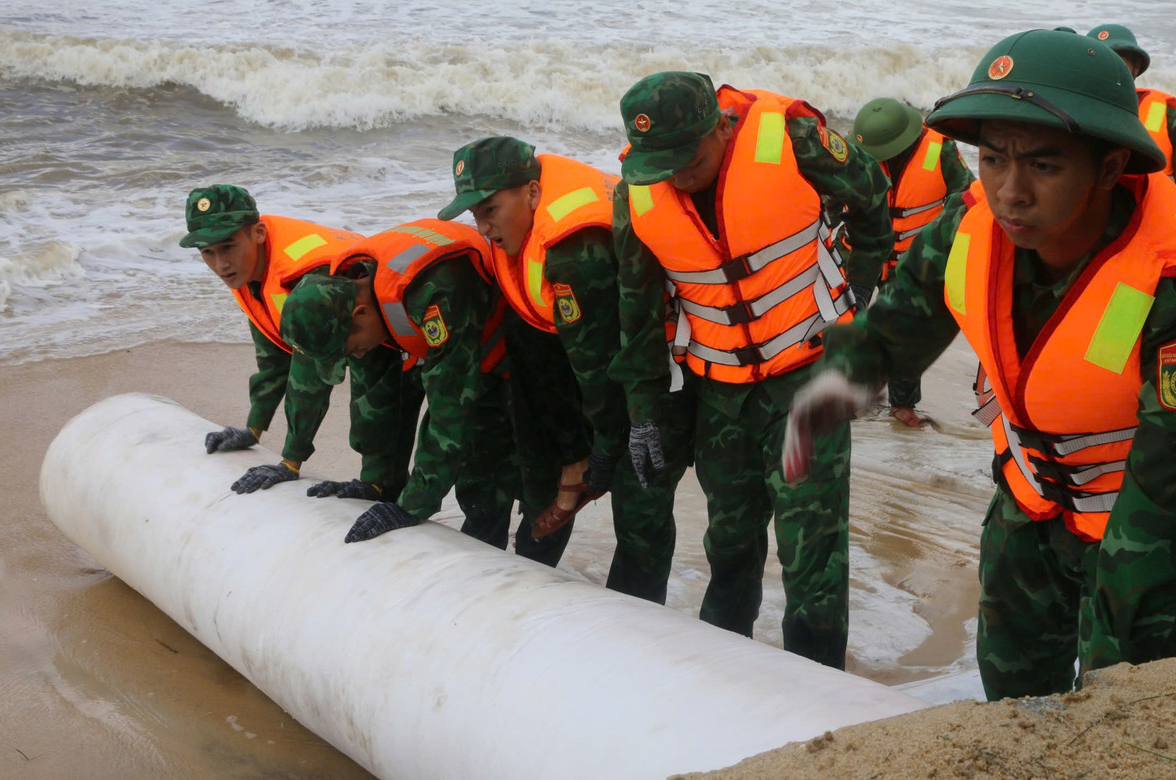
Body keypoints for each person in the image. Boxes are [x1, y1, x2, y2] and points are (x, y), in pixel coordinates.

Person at [784, 30, 1176, 698]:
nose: (1010, 192)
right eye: (991, 159)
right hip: (1032, 496)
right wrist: (831, 387)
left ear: (1108, 166)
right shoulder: (972, 225)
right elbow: (894, 326)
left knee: (1120, 697)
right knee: (1011, 688)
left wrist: (1126, 622)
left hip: (1144, 519)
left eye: (1044, 166)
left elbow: (1173, 495)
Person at [611, 71, 894, 668]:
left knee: (811, 556)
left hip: (810, 378)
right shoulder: (635, 195)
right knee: (730, 545)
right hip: (721, 396)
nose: (675, 176)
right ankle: (725, 676)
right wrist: (643, 414)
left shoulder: (792, 139)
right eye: (659, 163)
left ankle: (820, 696)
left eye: (687, 160)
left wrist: (862, 290)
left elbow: (872, 192)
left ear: (722, 125)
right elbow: (636, 318)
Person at [438, 136, 693, 603]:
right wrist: (572, 453)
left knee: (639, 506)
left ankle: (638, 630)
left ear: (532, 193)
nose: (483, 227)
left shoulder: (575, 254)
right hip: (591, 354)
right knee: (554, 465)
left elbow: (599, 372)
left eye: (490, 210)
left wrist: (604, 448)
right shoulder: (521, 234)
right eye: (474, 214)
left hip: (660, 369)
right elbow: (541, 348)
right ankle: (521, 588)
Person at [275, 219, 546, 560]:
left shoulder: (433, 293)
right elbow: (371, 388)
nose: (357, 354)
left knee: (485, 482)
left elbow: (451, 407)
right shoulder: (348, 286)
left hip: (521, 353)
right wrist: (373, 482)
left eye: (353, 347)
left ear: (361, 313)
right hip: (466, 348)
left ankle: (507, 575)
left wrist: (412, 506)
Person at [178, 184, 414, 496]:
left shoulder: (304, 276)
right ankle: (382, 486)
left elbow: (310, 379)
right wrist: (253, 428)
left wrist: (290, 462)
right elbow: (272, 354)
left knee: (372, 411)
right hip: (357, 321)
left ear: (258, 233)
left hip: (386, 326)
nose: (220, 264)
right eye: (207, 252)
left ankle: (382, 486)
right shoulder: (247, 269)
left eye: (227, 247)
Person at [852, 97, 976, 427]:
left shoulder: (942, 151)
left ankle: (903, 404)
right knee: (846, 321)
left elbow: (968, 197)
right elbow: (833, 203)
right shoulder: (858, 152)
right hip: (863, 253)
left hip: (913, 258)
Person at [1087, 23, 1176, 224]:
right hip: (1087, 226)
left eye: (1119, 62)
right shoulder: (1066, 111)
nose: (1111, 70)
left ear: (1136, 67)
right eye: (1102, 62)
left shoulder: (1165, 110)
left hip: (1151, 222)